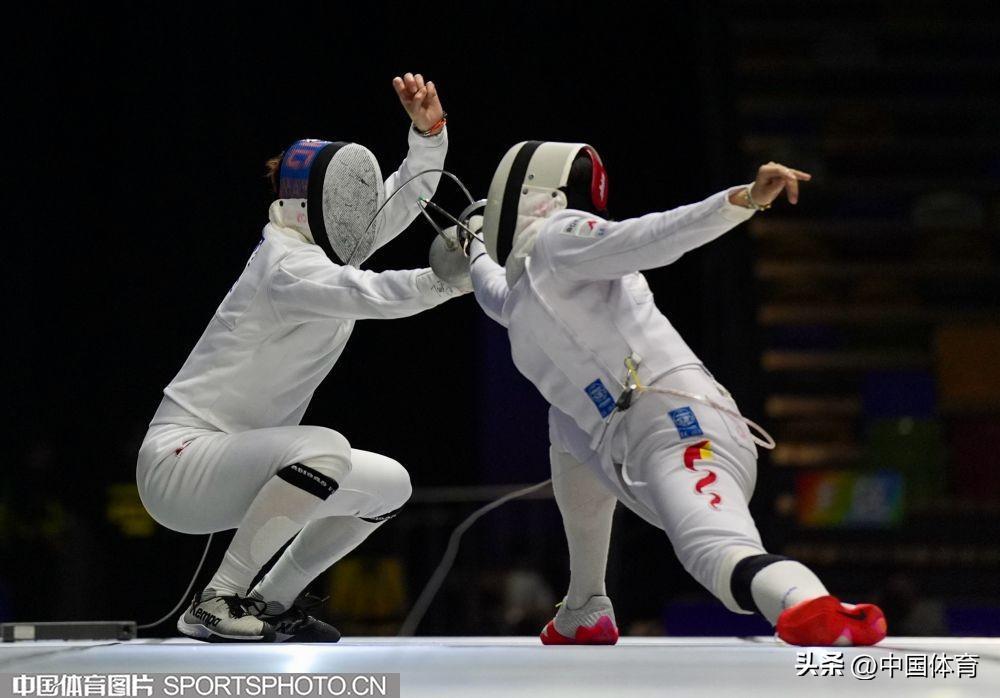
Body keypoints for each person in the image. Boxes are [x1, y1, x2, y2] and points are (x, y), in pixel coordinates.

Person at [461, 141, 887, 647]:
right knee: (567, 421)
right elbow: (496, 292)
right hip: (630, 450)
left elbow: (653, 235)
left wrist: (742, 199)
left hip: (682, 428)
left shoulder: (560, 236)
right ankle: (585, 605)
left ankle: (814, 605)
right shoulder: (530, 290)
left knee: (715, 554)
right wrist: (471, 244)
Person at [136, 73, 468, 643]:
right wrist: (452, 279)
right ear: (312, 205)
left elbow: (405, 197)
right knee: (324, 448)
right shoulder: (288, 266)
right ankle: (217, 600)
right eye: (347, 202)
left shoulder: (322, 246)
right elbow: (374, 294)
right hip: (180, 465)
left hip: (242, 465)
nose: (359, 213)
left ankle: (269, 601)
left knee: (390, 485)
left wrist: (428, 133)